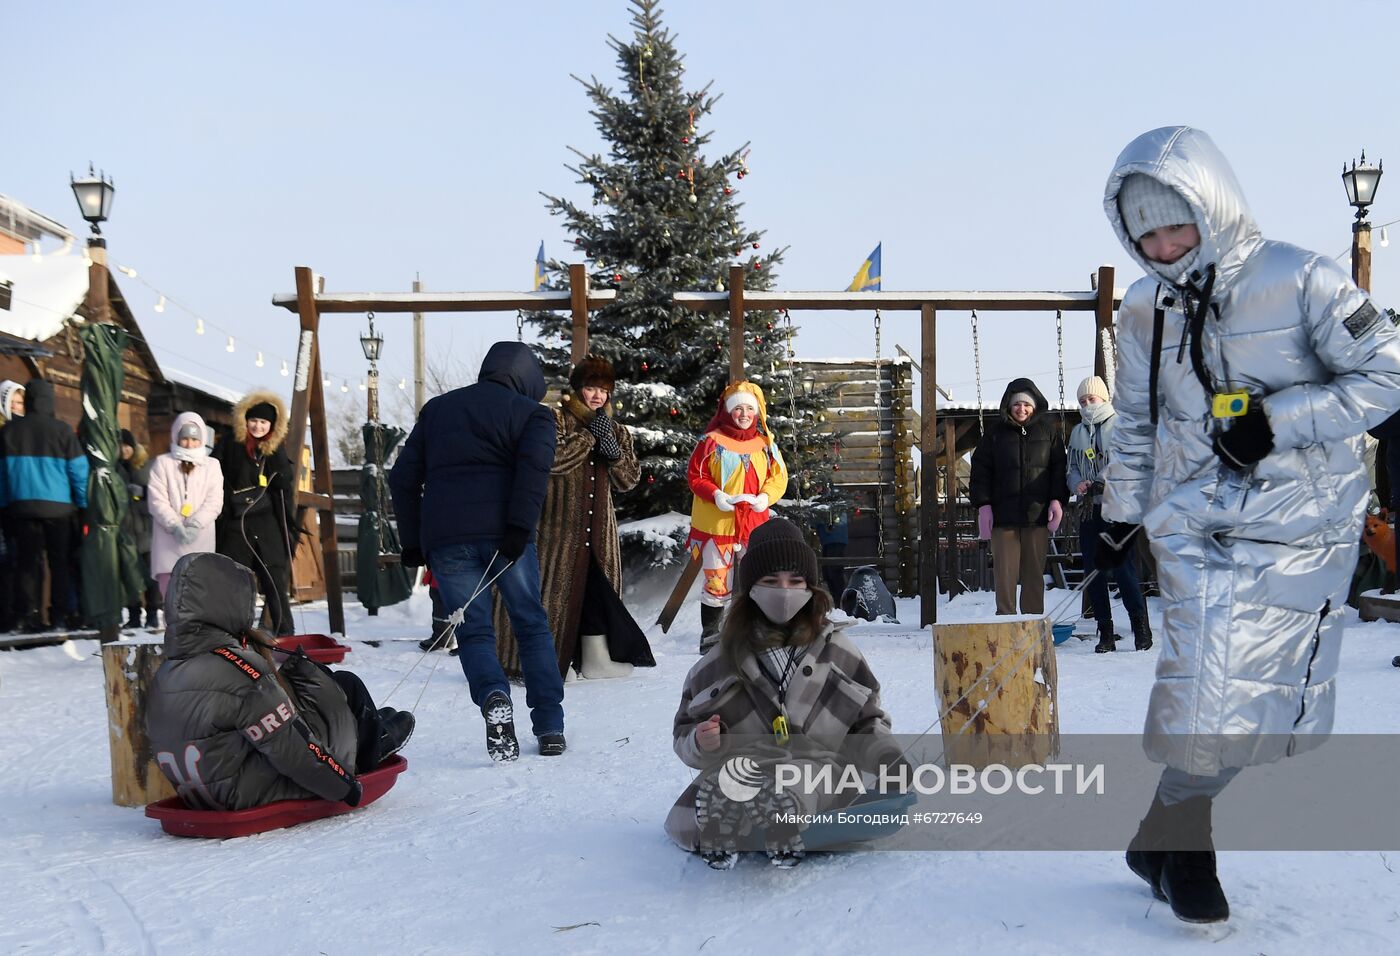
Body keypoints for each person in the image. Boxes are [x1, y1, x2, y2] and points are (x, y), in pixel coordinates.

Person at [1095, 127, 1400, 924]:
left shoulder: (1302, 280)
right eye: (1145, 233)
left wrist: (1280, 421)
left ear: (1213, 207)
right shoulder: (1141, 307)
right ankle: (1187, 847)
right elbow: (1131, 420)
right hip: (1194, 524)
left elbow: (1387, 371)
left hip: (1302, 523)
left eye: (1176, 225)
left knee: (1258, 706)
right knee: (1203, 692)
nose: (1163, 246)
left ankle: (1157, 831)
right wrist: (1118, 515)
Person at [666, 518, 902, 869]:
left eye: (796, 581)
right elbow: (684, 730)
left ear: (811, 588)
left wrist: (887, 757)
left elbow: (866, 721)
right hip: (744, 765)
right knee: (726, 779)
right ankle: (720, 822)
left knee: (805, 779)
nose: (785, 590)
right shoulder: (717, 663)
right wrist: (701, 741)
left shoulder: (838, 652)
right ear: (750, 590)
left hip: (819, 768)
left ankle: (782, 815)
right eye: (771, 581)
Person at [388, 341, 565, 761]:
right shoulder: (533, 414)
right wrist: (519, 528)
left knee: (474, 630)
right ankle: (550, 725)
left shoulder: (438, 410)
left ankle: (492, 695)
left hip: (448, 539)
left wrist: (412, 541)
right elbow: (534, 474)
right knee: (530, 625)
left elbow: (401, 478)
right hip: (508, 537)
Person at [146, 551, 414, 811]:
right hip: (248, 793)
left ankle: (369, 729)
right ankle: (370, 746)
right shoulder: (236, 670)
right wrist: (345, 786)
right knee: (346, 684)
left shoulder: (166, 673)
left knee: (316, 684)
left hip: (204, 791)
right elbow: (293, 748)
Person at [497, 355, 653, 681]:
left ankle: (595, 659)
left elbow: (629, 480)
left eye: (603, 390)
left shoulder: (617, 431)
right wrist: (588, 438)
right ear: (578, 389)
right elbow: (551, 461)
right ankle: (551, 661)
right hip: (557, 529)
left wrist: (613, 451)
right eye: (590, 388)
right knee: (552, 595)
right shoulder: (552, 421)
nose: (597, 396)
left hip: (600, 533)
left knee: (597, 593)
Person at [685, 381, 789, 652]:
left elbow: (778, 477)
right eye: (738, 408)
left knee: (757, 580)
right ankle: (711, 635)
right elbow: (696, 475)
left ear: (757, 412)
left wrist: (765, 498)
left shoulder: (766, 444)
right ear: (728, 411)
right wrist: (717, 495)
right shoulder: (710, 442)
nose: (744, 414)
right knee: (717, 581)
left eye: (749, 409)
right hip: (717, 525)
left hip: (753, 525)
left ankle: (756, 632)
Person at [1066, 375, 1152, 653]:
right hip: (1090, 507)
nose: (1087, 404)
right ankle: (1105, 629)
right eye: (1082, 401)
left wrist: (1102, 479)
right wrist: (1077, 483)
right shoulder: (1077, 432)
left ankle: (1140, 625)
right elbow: (1072, 467)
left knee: (1123, 568)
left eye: (1092, 399)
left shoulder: (1120, 426)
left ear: (1103, 398)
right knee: (1093, 569)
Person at [969, 378, 1067, 615]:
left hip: (1037, 514)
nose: (1021, 409)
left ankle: (1032, 622)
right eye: (1016, 404)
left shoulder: (1048, 432)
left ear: (1034, 406)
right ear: (1008, 406)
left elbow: (1058, 468)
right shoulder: (995, 434)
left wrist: (1057, 499)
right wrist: (983, 505)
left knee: (1034, 573)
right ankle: (1005, 620)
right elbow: (980, 471)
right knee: (1005, 574)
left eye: (1026, 404)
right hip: (1004, 518)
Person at [0, 379, 88, 632]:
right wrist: (83, 504)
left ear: (27, 401)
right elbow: (79, 472)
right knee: (59, 563)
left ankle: (28, 614)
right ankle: (59, 615)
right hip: (59, 509)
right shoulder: (62, 431)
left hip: (22, 507)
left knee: (27, 563)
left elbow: (2, 475)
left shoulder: (8, 432)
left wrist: (5, 505)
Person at [214, 391, 299, 637]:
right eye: (254, 420)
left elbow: (284, 483)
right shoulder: (231, 443)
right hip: (236, 521)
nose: (258, 426)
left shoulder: (273, 449)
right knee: (235, 581)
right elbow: (215, 470)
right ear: (245, 420)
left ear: (272, 425)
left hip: (266, 522)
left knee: (274, 581)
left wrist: (277, 457)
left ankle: (286, 634)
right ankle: (234, 633)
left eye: (264, 422)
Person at [148, 413, 224, 599]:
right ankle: (173, 629)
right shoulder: (163, 463)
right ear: (176, 437)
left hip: (200, 539)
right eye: (185, 438)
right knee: (171, 596)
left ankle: (197, 629)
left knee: (197, 595)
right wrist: (174, 524)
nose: (189, 444)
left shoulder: (211, 466)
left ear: (202, 439)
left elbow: (214, 501)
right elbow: (157, 499)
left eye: (194, 439)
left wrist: (195, 523)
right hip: (168, 540)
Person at [117, 429, 161, 629]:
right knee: (130, 575)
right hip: (126, 531)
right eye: (119, 446)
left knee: (151, 575)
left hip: (147, 529)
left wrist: (142, 493)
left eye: (126, 445)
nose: (123, 450)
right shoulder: (116, 470)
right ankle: (134, 615)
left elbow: (159, 495)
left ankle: (152, 613)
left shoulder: (147, 466)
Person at [0, 380, 25, 632]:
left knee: (15, 562)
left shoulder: (24, 432)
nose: (18, 408)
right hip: (4, 505)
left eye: (21, 403)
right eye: (13, 403)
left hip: (16, 505)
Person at [813, 505, 850, 603]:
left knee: (833, 572)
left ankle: (839, 600)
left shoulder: (830, 503)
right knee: (830, 572)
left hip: (833, 537)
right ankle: (837, 600)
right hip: (829, 538)